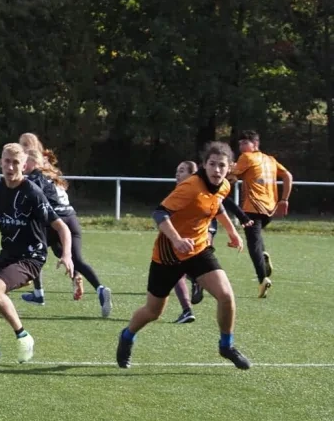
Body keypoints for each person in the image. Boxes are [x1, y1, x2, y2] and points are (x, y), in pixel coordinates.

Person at [116, 142, 250, 369]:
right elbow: (159, 213)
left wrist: (232, 231)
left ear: (230, 168)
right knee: (153, 312)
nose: (217, 170)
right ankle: (127, 336)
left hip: (198, 250)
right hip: (168, 255)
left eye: (222, 165)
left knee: (226, 295)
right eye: (212, 164)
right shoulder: (190, 186)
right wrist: (177, 239)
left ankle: (226, 345)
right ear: (204, 165)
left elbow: (217, 205)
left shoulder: (224, 185)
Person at [0, 143, 75, 362]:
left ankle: (23, 336)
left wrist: (66, 255)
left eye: (16, 162)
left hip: (31, 257)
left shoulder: (32, 192)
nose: (10, 167)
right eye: (7, 161)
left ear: (24, 165)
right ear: (0, 162)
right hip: (8, 254)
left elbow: (61, 227)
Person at [17, 146, 113, 317]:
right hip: (71, 218)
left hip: (56, 221)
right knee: (76, 258)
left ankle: (38, 294)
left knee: (33, 251)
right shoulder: (53, 176)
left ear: (33, 162)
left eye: (25, 161)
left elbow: (36, 202)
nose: (22, 164)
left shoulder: (34, 178)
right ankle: (100, 289)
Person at [171, 159, 250, 323]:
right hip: (192, 233)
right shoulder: (182, 190)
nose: (177, 174)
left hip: (199, 232)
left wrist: (236, 226)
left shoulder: (200, 188)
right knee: (184, 268)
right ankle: (194, 287)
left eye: (182, 170)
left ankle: (188, 306)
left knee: (177, 269)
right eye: (177, 170)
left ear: (192, 174)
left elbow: (221, 204)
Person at [231, 129, 293, 298]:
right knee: (256, 238)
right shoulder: (270, 159)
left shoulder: (246, 157)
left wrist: (227, 170)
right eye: (240, 144)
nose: (241, 147)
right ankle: (263, 254)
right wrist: (284, 199)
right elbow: (287, 176)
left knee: (253, 245)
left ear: (255, 144)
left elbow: (231, 175)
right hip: (269, 209)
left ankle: (262, 279)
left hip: (253, 208)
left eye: (245, 143)